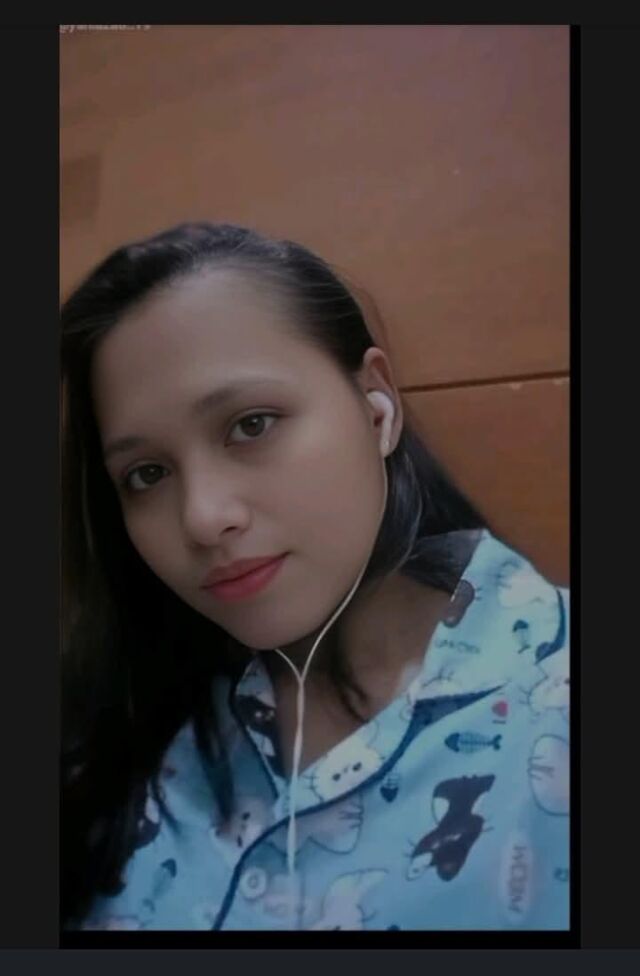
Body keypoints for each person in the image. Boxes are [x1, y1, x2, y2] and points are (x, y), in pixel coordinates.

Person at [61, 222, 570, 932]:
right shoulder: (116, 721)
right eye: (146, 474)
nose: (203, 518)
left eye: (251, 424)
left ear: (376, 405)